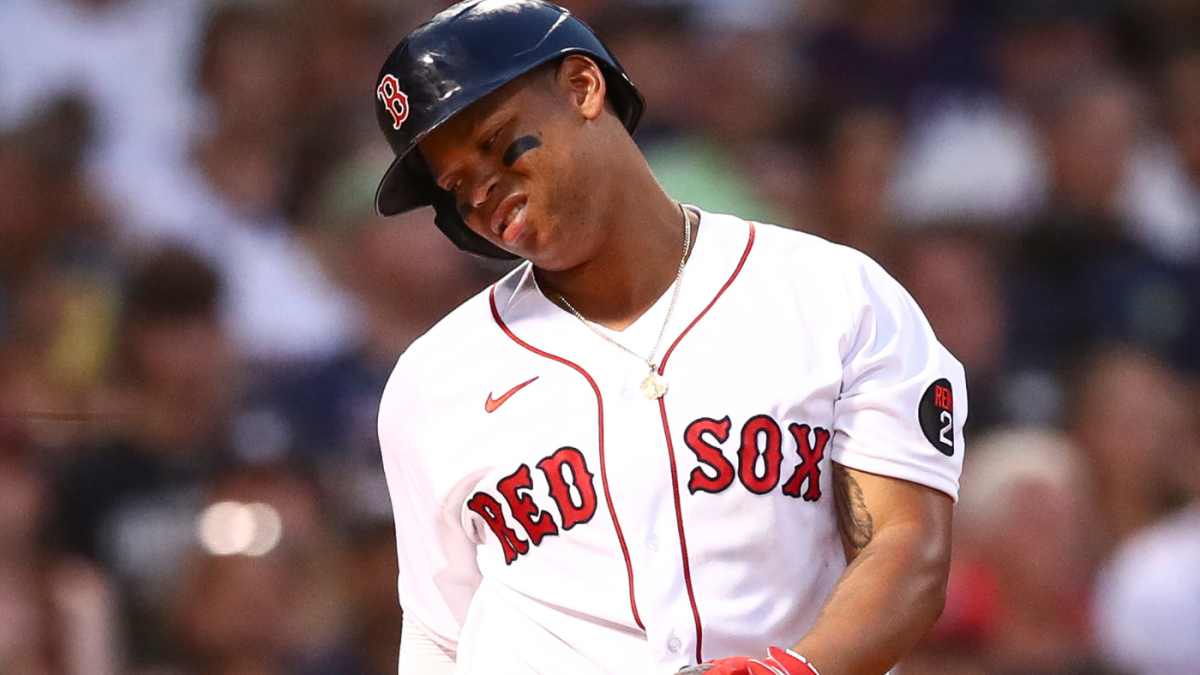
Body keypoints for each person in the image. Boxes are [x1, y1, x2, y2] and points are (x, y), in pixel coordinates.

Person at [372, 2, 966, 675]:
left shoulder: (835, 296)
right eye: (455, 185)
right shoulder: (435, 379)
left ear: (582, 88)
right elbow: (436, 635)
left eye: (494, 141)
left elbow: (904, 543)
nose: (482, 192)